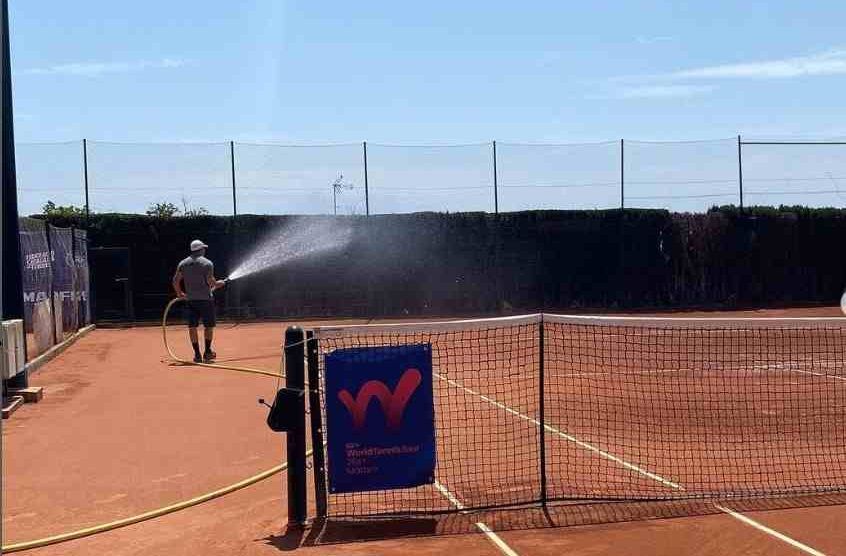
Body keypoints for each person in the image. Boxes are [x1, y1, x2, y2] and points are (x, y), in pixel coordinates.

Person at [172, 239, 226, 363]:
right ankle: (207, 352)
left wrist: (180, 294)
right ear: (201, 250)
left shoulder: (183, 263)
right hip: (206, 300)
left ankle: (197, 355)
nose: (204, 250)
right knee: (208, 327)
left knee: (192, 327)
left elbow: (175, 281)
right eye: (204, 249)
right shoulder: (207, 263)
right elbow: (211, 282)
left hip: (191, 300)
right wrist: (219, 283)